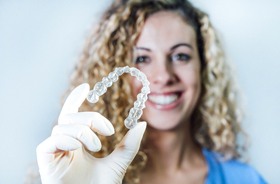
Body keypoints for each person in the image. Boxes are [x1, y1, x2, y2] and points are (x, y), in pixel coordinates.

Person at [36, 0, 267, 183]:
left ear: (203, 68)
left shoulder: (244, 179)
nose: (164, 76)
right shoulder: (82, 171)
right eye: (143, 58)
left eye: (180, 56)